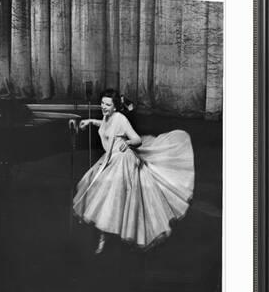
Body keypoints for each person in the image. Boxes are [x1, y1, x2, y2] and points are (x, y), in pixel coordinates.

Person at [73, 89, 194, 254]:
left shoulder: (120, 119)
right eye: (102, 103)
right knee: (102, 193)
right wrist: (90, 121)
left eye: (108, 104)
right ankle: (104, 234)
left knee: (113, 197)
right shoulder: (109, 117)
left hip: (123, 160)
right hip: (110, 158)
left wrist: (128, 143)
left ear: (115, 107)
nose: (103, 107)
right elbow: (106, 126)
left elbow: (137, 139)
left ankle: (110, 237)